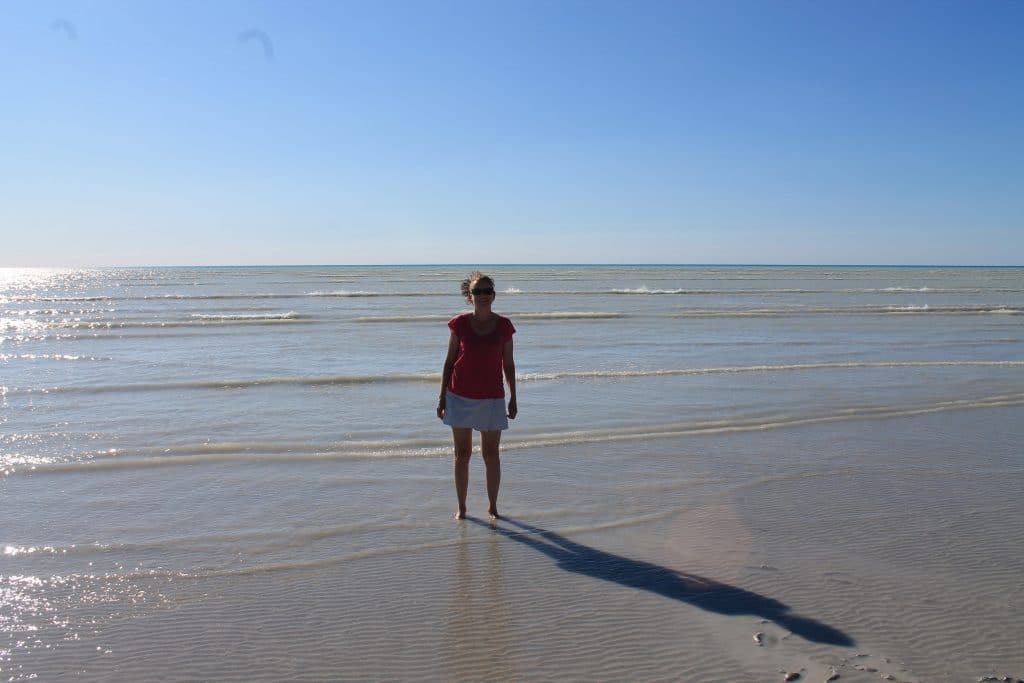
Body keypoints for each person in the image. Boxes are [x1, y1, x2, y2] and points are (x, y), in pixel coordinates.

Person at [437, 271, 517, 520]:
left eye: (486, 291)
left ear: (493, 295)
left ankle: (493, 506)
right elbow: (449, 361)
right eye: (477, 291)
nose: (482, 295)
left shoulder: (504, 325)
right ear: (469, 296)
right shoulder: (459, 323)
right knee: (462, 455)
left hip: (492, 397)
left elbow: (509, 364)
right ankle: (462, 508)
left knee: (491, 455)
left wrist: (513, 396)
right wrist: (441, 397)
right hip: (459, 395)